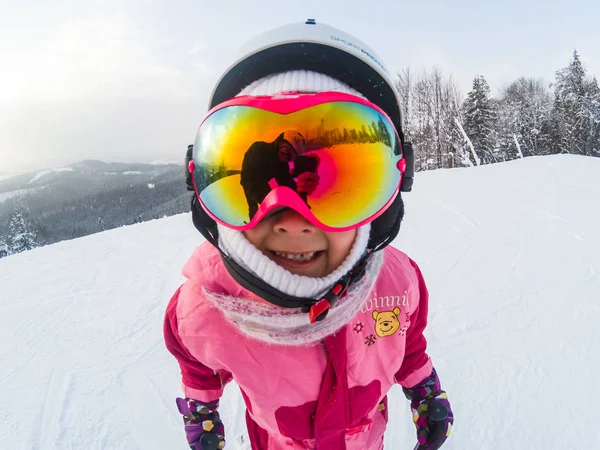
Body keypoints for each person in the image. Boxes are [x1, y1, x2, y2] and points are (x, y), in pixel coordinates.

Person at [164, 19, 453, 450]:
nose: (293, 221)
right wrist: (201, 409)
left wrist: (423, 387)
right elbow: (196, 361)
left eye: (338, 192)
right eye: (262, 190)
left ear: (384, 201)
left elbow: (405, 341)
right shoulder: (206, 309)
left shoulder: (397, 282)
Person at [240, 131, 319, 219]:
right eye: (286, 151)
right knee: (253, 207)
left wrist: (299, 200)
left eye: (290, 157)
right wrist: (274, 206)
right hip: (249, 179)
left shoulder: (281, 160)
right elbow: (250, 182)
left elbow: (286, 180)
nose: (285, 157)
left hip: (260, 181)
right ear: (280, 142)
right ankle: (253, 222)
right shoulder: (258, 150)